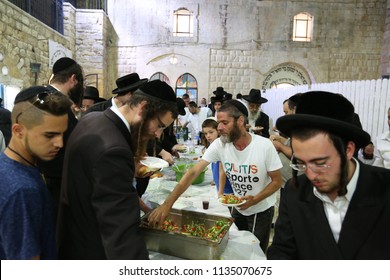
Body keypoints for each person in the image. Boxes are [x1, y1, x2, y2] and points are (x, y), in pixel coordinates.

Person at [57, 80, 178, 260]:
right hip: (93, 249)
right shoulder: (114, 150)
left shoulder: (93, 118)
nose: (158, 134)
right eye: (160, 125)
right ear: (143, 108)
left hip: (71, 238)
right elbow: (121, 232)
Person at [267, 91, 390, 260]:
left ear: (348, 150)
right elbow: (282, 250)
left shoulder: (384, 189)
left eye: (320, 163)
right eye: (301, 163)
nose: (310, 174)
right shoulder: (295, 190)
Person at [148, 100, 283, 253]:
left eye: (225, 122)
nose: (219, 127)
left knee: (255, 252)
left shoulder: (264, 145)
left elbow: (277, 181)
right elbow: (193, 172)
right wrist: (168, 204)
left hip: (261, 209)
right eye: (218, 122)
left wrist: (256, 199)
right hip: (238, 206)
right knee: (236, 249)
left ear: (240, 121)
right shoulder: (220, 144)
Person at [0, 86, 72, 259]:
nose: (59, 144)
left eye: (62, 134)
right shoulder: (23, 190)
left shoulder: (7, 165)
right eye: (49, 135)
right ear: (18, 131)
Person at [38, 57, 84, 221]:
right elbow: (48, 155)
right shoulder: (54, 102)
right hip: (54, 188)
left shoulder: (48, 98)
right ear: (73, 79)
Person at [201, 118, 233, 197]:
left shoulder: (221, 146)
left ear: (218, 131)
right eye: (206, 133)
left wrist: (220, 192)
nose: (208, 136)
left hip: (227, 190)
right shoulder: (211, 147)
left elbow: (223, 171)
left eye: (211, 132)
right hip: (220, 187)